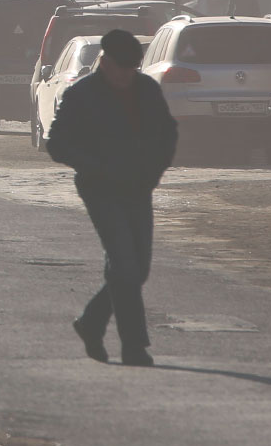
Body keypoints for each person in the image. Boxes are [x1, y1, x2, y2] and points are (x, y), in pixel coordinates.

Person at [44, 29, 177, 367]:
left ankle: (91, 323)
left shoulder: (146, 89)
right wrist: (95, 167)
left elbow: (167, 133)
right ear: (104, 62)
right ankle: (133, 346)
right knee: (123, 263)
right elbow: (57, 143)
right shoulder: (81, 95)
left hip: (137, 186)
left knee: (137, 269)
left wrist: (154, 171)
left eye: (132, 70)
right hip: (100, 188)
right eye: (121, 70)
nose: (125, 77)